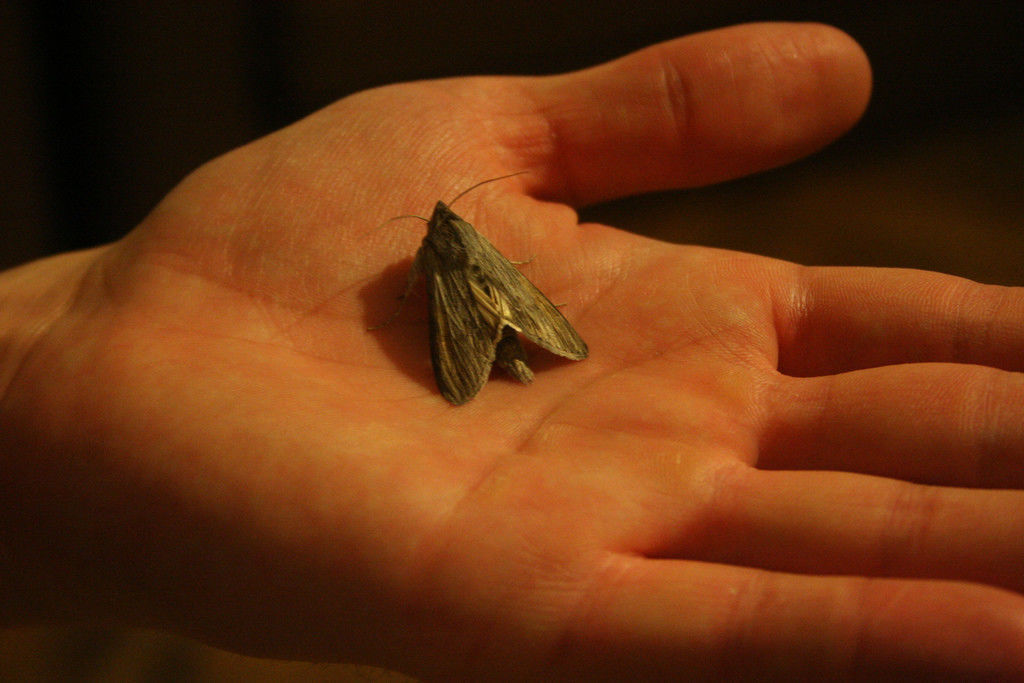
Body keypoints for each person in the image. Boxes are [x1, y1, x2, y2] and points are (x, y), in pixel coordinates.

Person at [1, 22, 1022, 680]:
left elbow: (431, 292)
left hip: (480, 296)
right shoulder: (458, 247)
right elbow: (446, 283)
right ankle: (520, 350)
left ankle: (513, 350)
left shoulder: (435, 258)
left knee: (486, 339)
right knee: (512, 333)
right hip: (499, 291)